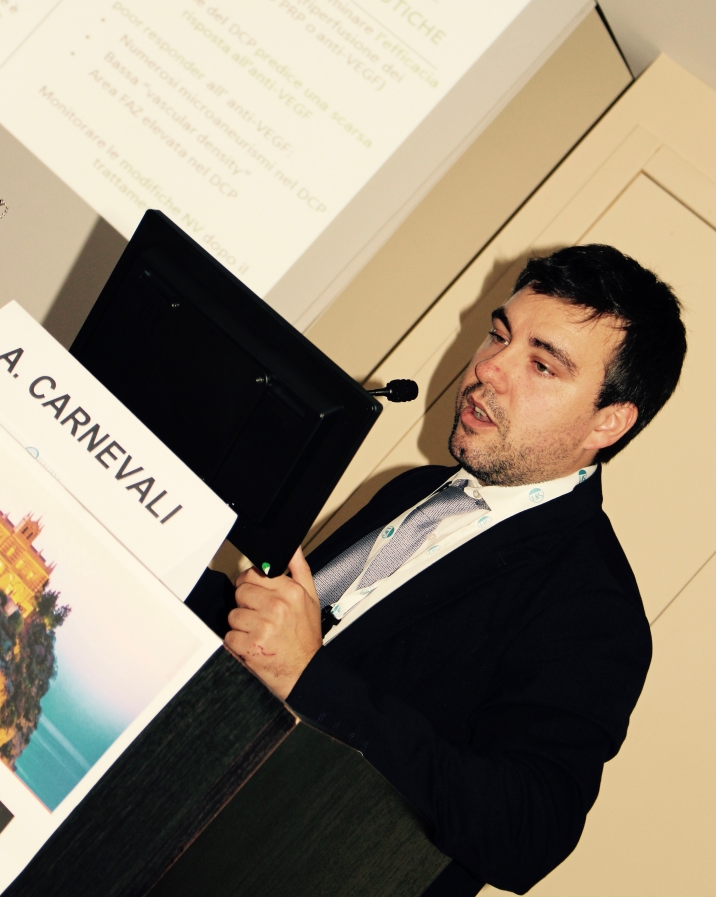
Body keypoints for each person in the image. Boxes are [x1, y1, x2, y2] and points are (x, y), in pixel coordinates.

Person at [186, 244, 687, 896]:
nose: (488, 369)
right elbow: (270, 642)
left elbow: (528, 834)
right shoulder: (413, 488)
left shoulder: (594, 608)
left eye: (541, 365)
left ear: (608, 422)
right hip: (181, 803)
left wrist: (312, 680)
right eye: (499, 335)